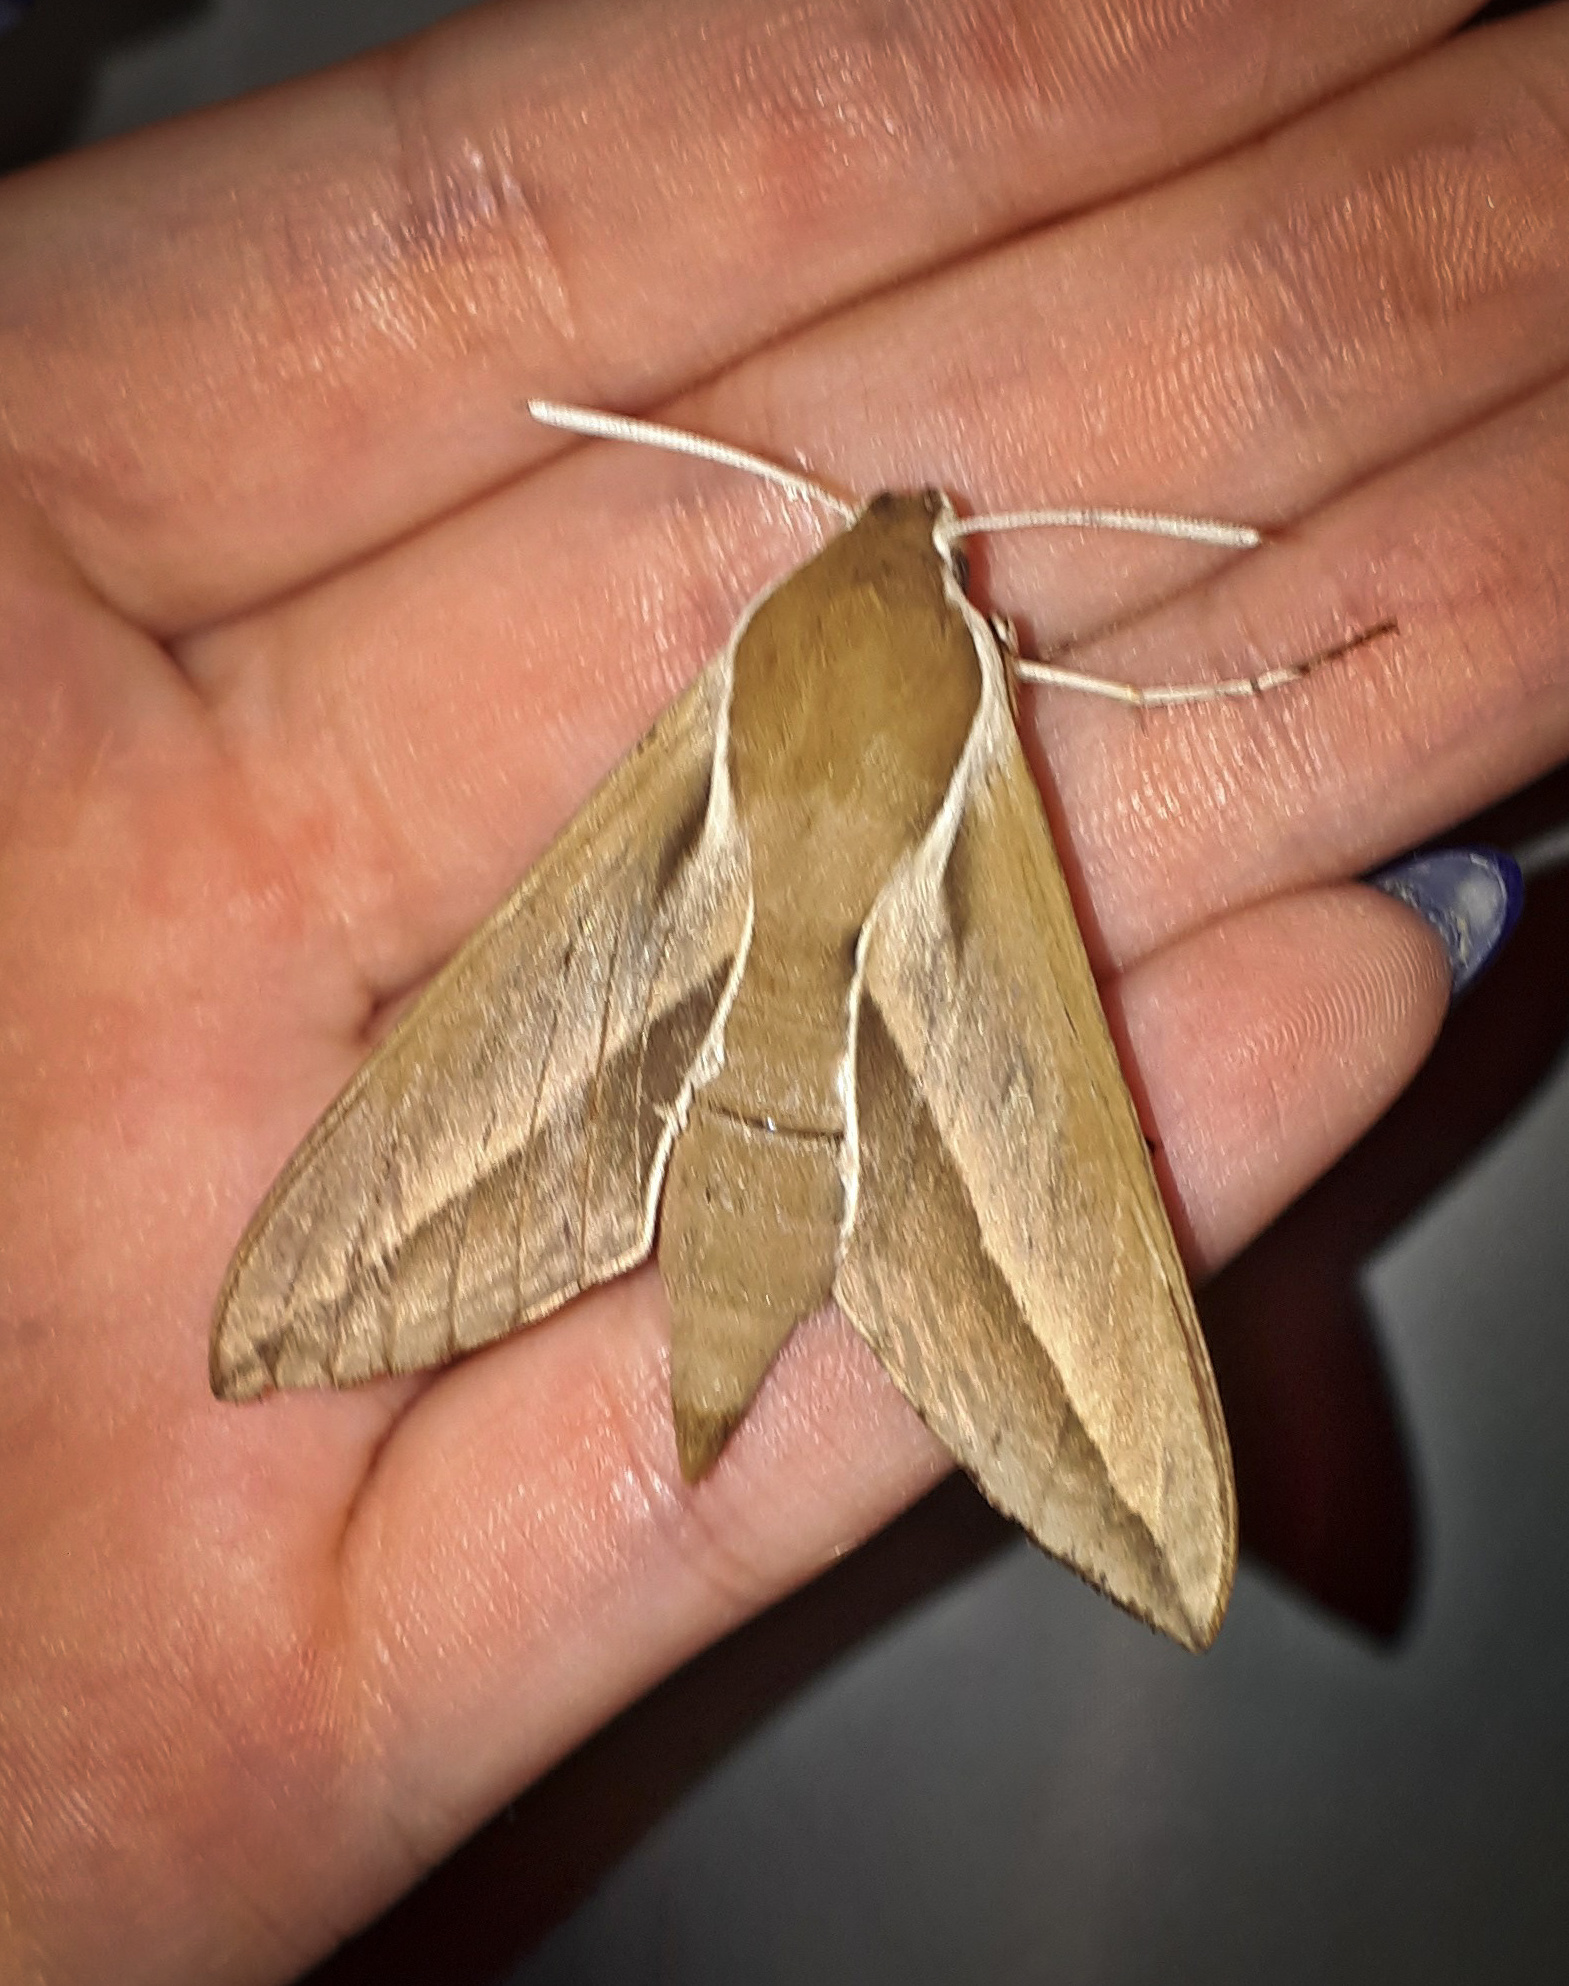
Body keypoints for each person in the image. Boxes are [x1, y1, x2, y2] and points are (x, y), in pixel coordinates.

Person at [0, 0, 1561, 1976]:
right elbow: (1076, 682)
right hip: (879, 1067)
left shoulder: (788, 664)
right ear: (988, 655)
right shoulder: (990, 673)